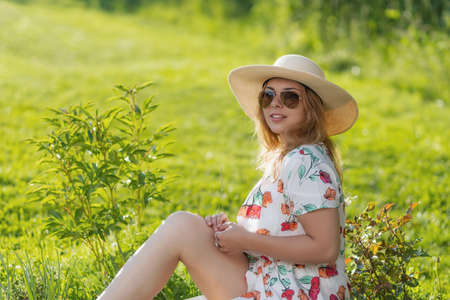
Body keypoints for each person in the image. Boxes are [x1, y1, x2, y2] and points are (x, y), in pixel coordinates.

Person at [97, 54, 358, 300]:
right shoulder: (290, 157)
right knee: (186, 227)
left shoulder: (306, 160)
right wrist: (233, 235)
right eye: (268, 96)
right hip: (270, 282)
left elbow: (325, 249)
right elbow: (284, 230)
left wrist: (246, 240)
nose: (276, 104)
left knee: (181, 227)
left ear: (310, 108)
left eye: (290, 97)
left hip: (295, 292)